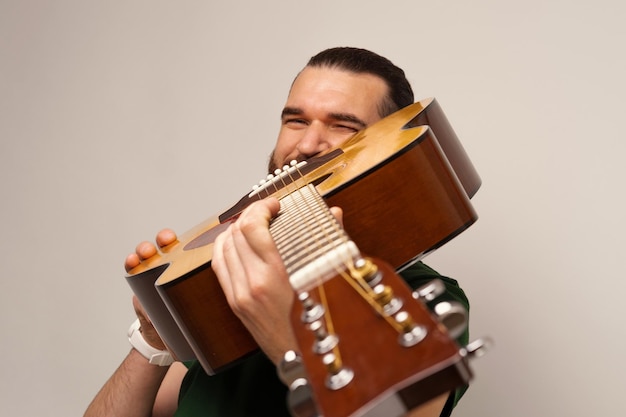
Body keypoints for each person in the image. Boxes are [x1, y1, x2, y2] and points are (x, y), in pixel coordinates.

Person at [84, 47, 471, 417]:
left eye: (342, 125)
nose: (305, 145)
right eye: (296, 121)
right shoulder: (227, 290)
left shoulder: (424, 298)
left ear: (384, 145)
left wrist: (290, 332)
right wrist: (153, 340)